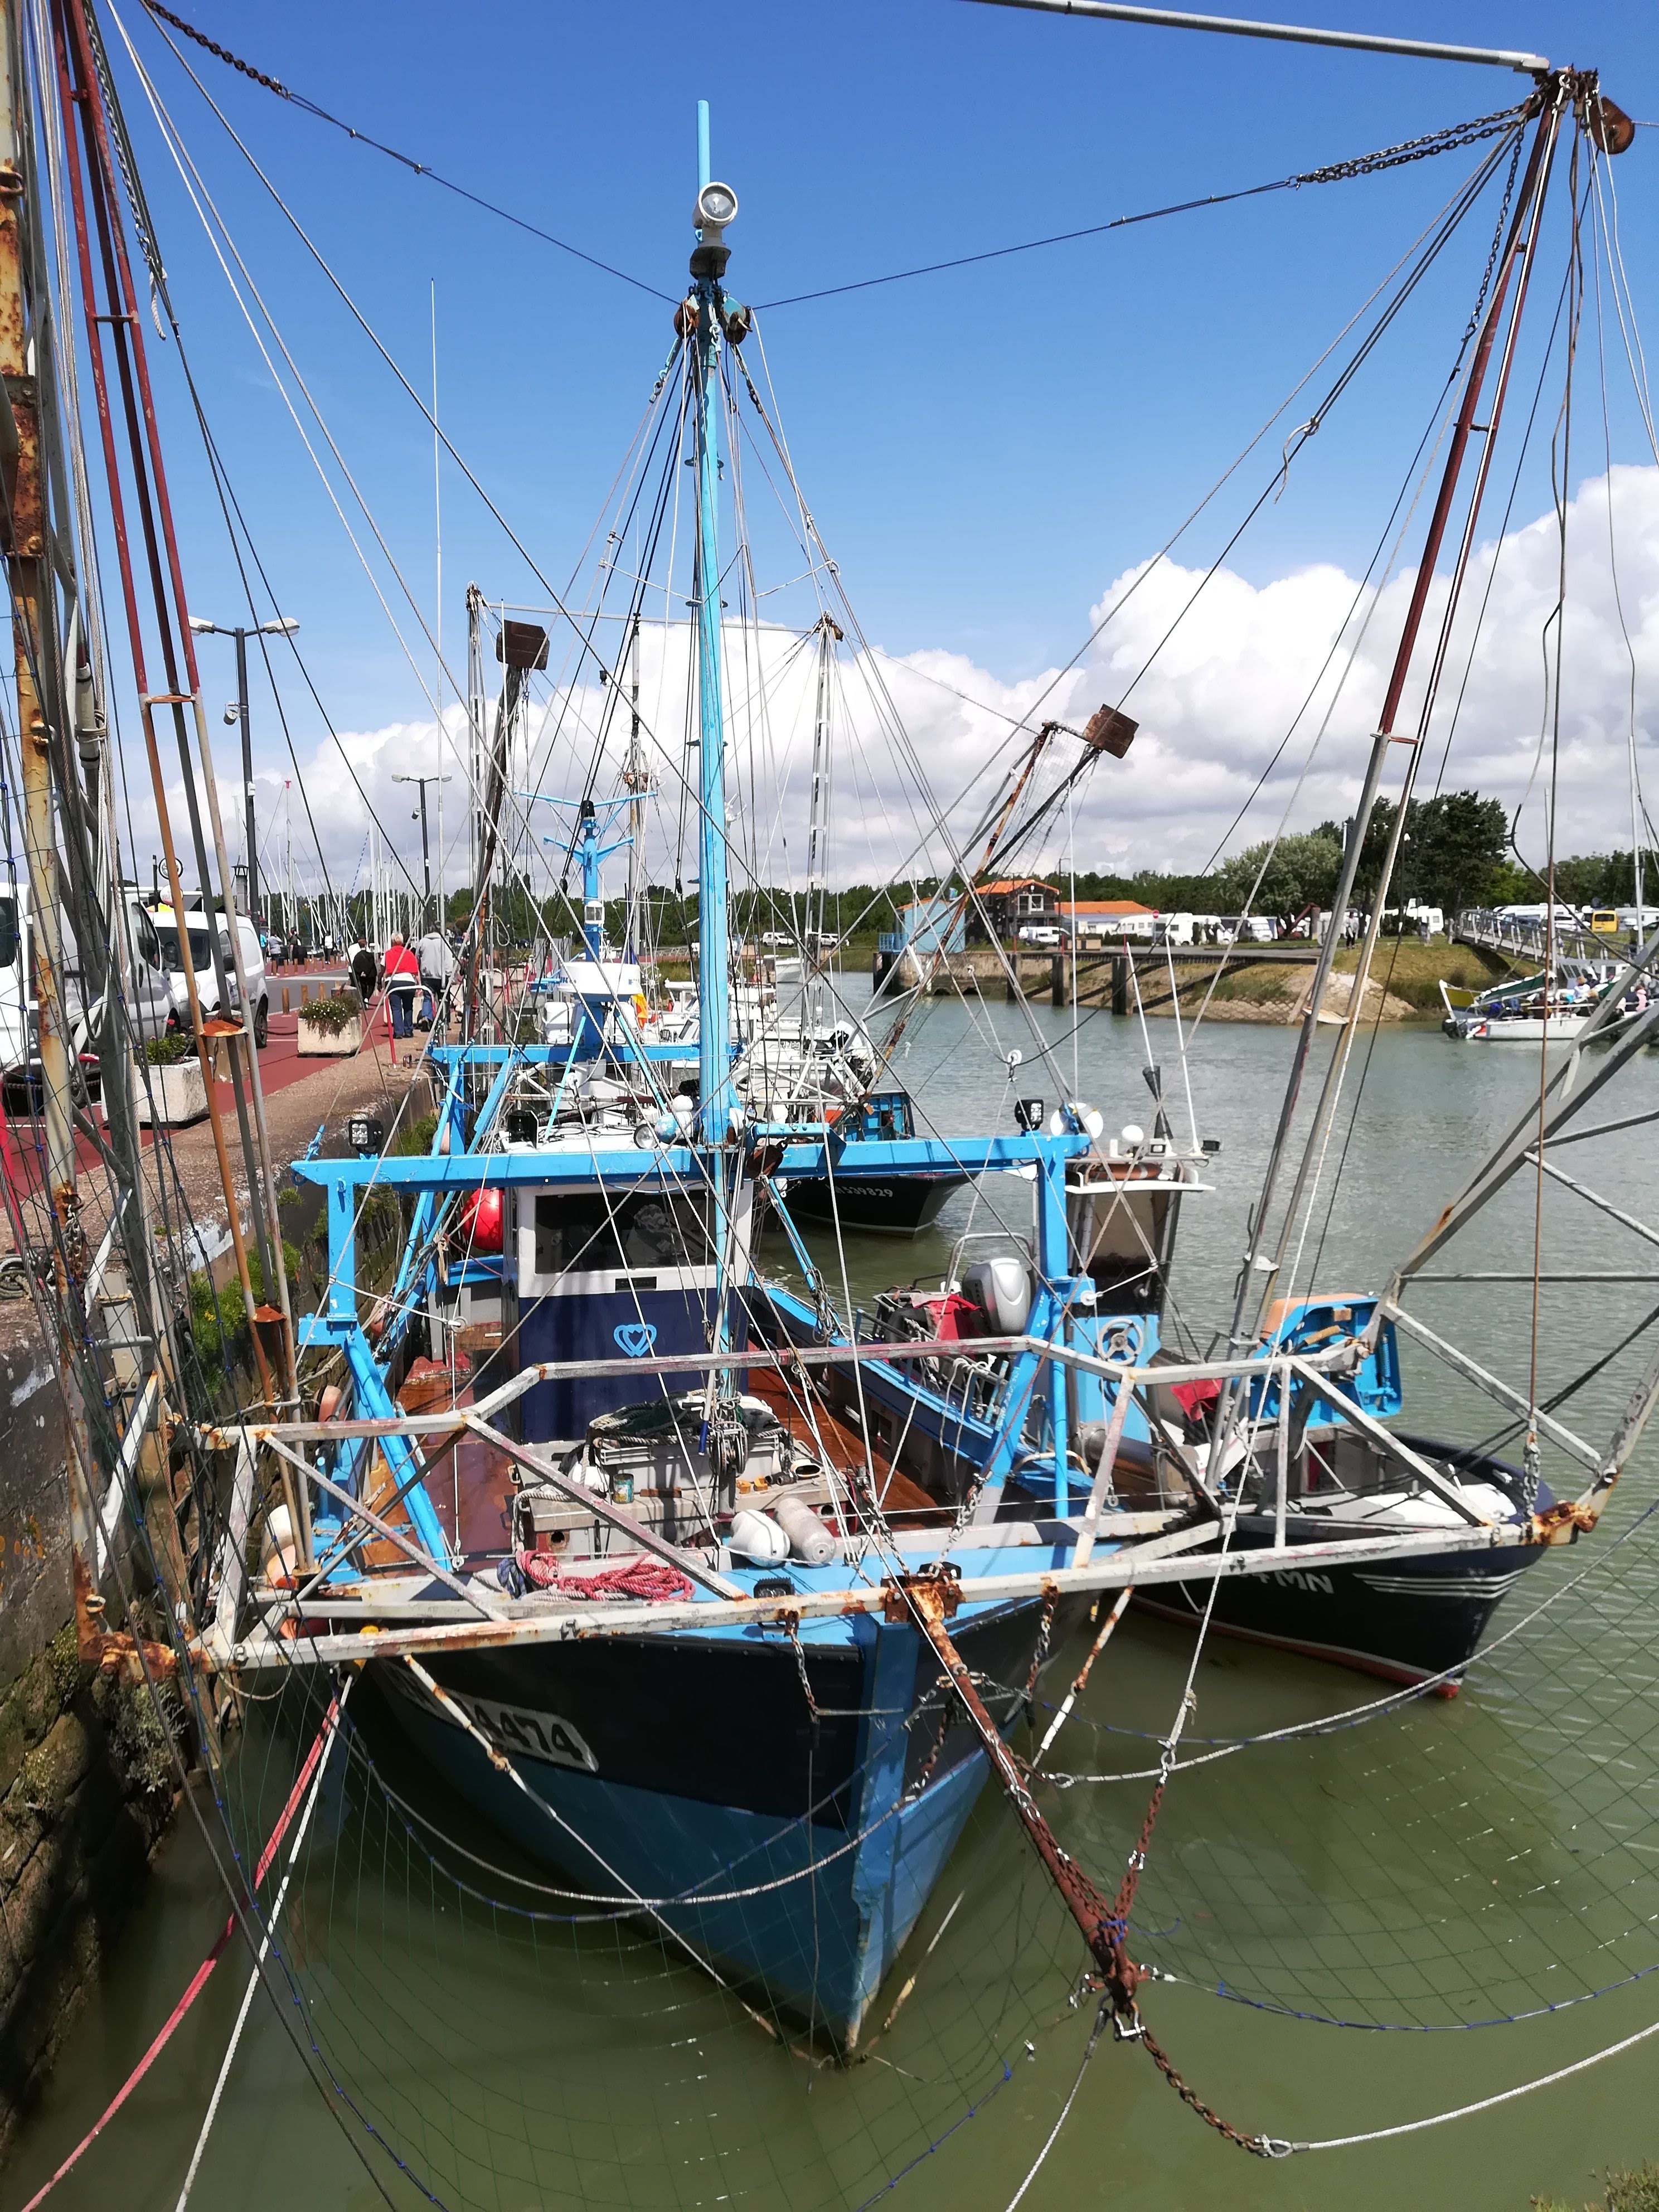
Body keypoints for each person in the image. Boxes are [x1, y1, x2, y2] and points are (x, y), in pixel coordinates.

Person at [414, 923, 457, 1031]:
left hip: (427, 975)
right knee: (444, 999)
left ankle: (426, 1017)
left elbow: (417, 958)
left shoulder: (422, 942)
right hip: (442, 976)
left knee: (428, 997)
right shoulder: (444, 942)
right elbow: (449, 960)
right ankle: (444, 1021)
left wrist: (419, 972)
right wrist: (450, 975)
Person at [383, 932, 419, 1040]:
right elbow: (416, 972)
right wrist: (419, 985)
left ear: (392, 941)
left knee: (396, 1008)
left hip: (393, 982)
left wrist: (381, 981)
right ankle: (408, 1030)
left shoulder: (388, 954)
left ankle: (398, 1032)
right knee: (408, 1007)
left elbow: (384, 970)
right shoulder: (409, 954)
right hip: (408, 981)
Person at [349, 938, 378, 1008]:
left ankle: (365, 1000)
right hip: (371, 975)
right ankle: (366, 998)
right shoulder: (370, 955)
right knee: (371, 987)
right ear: (366, 945)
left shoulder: (357, 956)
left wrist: (361, 973)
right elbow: (371, 965)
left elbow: (354, 966)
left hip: (362, 975)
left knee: (363, 988)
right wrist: (366, 973)